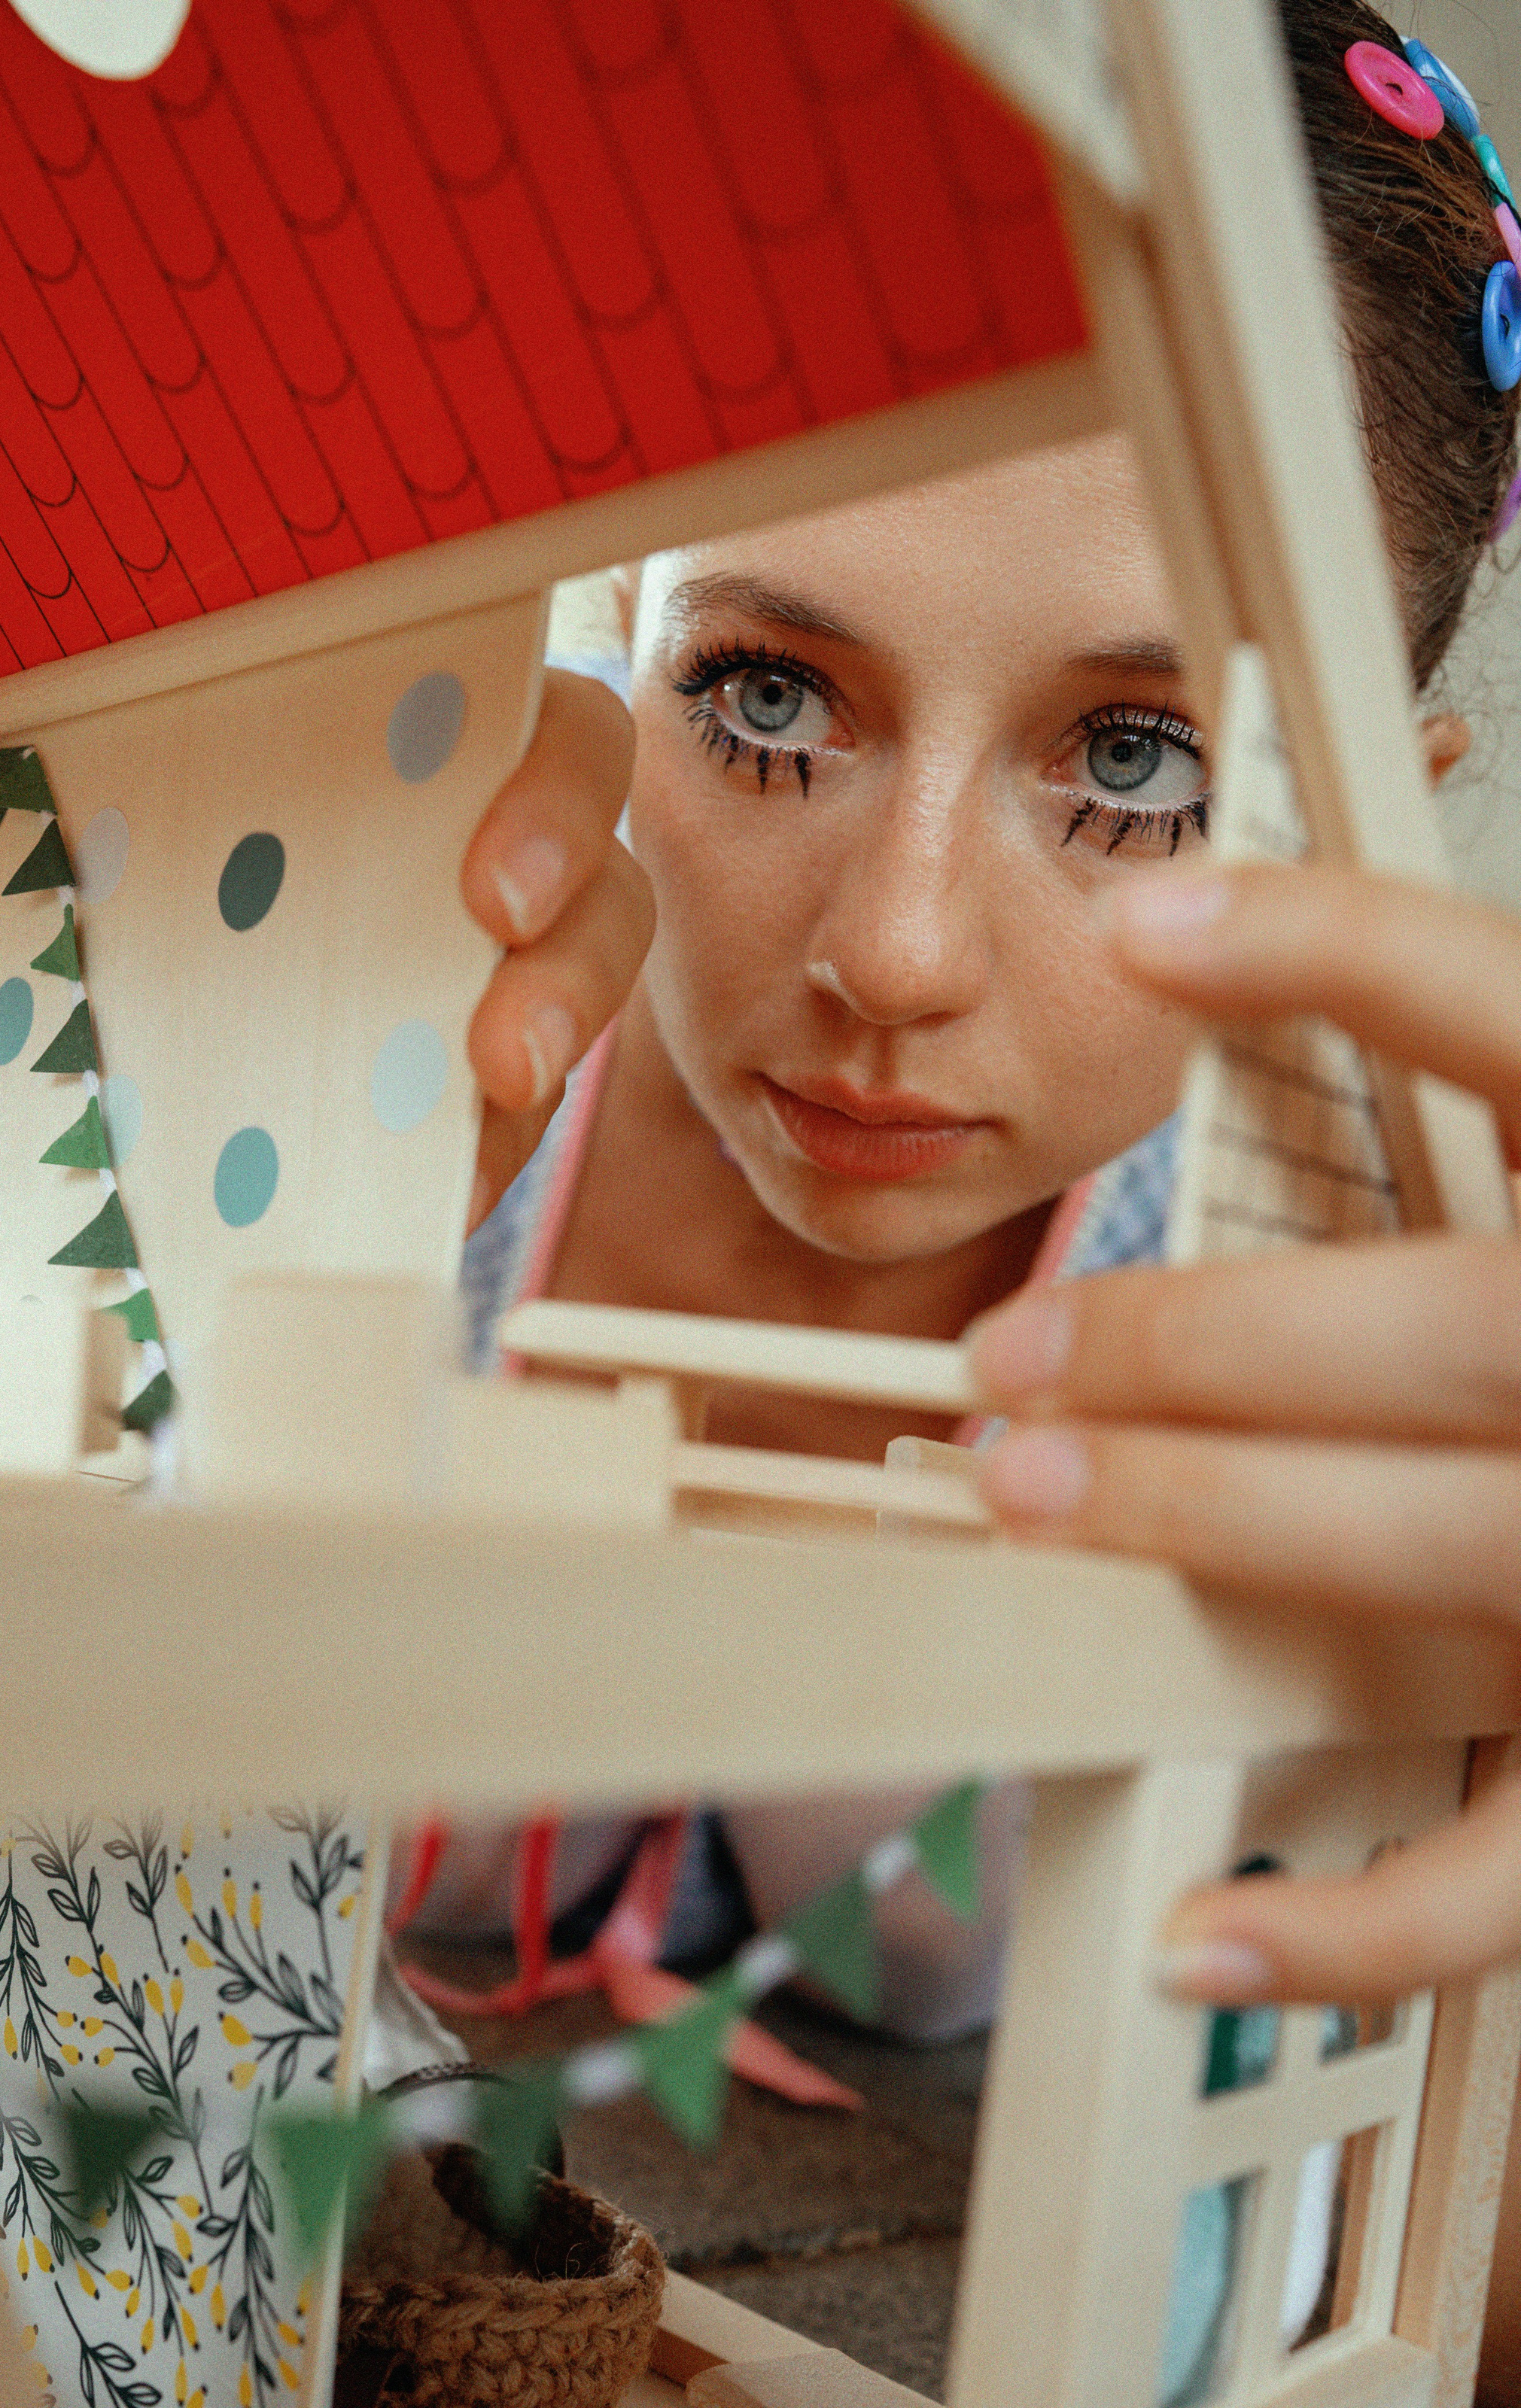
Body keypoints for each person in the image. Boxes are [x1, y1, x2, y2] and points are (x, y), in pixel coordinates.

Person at [411, 0, 1521, 2061]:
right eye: (761, 693)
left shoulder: (1416, 1345)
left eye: (1132, 754)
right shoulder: (345, 1054)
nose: (900, 954)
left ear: (1383, 803)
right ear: (611, 624)